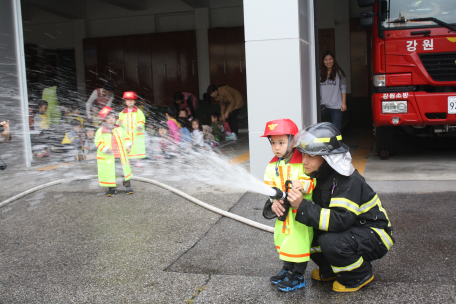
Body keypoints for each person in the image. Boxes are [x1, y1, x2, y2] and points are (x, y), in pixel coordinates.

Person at [270, 122, 395, 293]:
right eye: (303, 154)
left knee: (331, 242)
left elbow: (339, 220)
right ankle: (331, 269)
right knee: (307, 233)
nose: (303, 160)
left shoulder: (348, 180)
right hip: (352, 230)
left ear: (328, 157)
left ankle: (358, 275)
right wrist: (277, 202)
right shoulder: (319, 175)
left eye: (310, 156)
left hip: (374, 234)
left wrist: (302, 206)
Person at [261, 119, 315, 292]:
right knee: (284, 240)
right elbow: (269, 185)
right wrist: (273, 201)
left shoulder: (302, 161)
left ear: (293, 141)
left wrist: (302, 184)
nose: (277, 147)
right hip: (284, 214)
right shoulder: (272, 165)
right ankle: (287, 270)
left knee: (298, 242)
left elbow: (312, 180)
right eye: (274, 143)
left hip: (300, 214)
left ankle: (298, 275)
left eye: (282, 142)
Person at [95, 106, 133, 196]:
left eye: (113, 117)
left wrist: (128, 146)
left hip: (120, 156)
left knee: (124, 172)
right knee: (110, 173)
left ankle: (127, 187)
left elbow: (126, 138)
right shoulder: (101, 131)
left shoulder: (119, 129)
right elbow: (98, 142)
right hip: (108, 157)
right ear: (104, 120)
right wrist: (106, 149)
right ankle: (112, 189)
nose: (111, 119)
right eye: (108, 118)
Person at [320, 51, 347, 132]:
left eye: (330, 59)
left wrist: (344, 103)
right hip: (323, 105)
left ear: (333, 60)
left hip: (336, 106)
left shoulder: (339, 73)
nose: (328, 62)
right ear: (323, 61)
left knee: (336, 130)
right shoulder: (320, 73)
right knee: (318, 127)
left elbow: (343, 88)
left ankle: (337, 145)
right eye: (326, 60)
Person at [118, 91, 146, 167]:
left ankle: (139, 161)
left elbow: (142, 119)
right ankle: (129, 160)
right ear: (125, 101)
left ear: (135, 101)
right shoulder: (122, 113)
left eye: (132, 100)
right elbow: (119, 121)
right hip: (127, 133)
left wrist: (140, 125)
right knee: (127, 146)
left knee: (138, 146)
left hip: (137, 133)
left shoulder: (139, 112)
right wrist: (118, 122)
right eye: (128, 100)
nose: (130, 102)